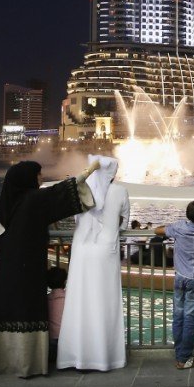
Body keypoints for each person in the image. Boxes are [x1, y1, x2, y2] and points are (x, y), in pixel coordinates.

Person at [0, 159, 100, 378]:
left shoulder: (9, 202)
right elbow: (62, 193)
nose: (41, 178)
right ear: (27, 179)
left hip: (6, 267)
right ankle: (28, 363)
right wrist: (87, 173)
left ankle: (3, 359)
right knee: (28, 308)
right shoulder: (32, 199)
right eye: (38, 175)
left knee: (7, 307)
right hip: (28, 266)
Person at [57, 156, 131, 372]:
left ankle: (75, 356)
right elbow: (125, 222)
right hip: (106, 254)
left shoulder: (81, 190)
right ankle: (105, 357)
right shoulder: (119, 191)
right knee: (105, 302)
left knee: (79, 300)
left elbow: (74, 216)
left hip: (82, 251)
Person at [155, 200, 194, 370]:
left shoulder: (179, 228)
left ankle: (180, 353)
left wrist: (170, 225)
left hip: (180, 277)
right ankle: (184, 358)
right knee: (190, 318)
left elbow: (158, 230)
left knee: (178, 315)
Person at [46, 267, 67, 363]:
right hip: (66, 342)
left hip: (50, 343)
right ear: (65, 281)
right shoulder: (69, 298)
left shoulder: (46, 299)